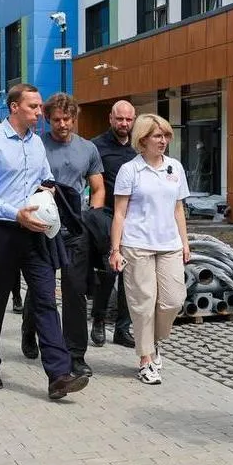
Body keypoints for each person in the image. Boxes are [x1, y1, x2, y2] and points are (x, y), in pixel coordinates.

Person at [0, 83, 89, 400]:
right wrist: (14, 213)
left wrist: (47, 190)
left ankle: (58, 375)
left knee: (46, 299)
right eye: (34, 107)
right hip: (2, 231)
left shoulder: (36, 143)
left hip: (36, 232)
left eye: (39, 107)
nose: (40, 113)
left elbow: (45, 177)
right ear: (14, 107)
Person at [21, 93, 104, 377]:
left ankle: (76, 354)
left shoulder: (88, 149)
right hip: (42, 227)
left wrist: (93, 213)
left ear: (74, 118)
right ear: (47, 118)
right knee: (40, 288)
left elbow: (98, 186)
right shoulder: (36, 146)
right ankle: (29, 330)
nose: (62, 124)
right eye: (56, 119)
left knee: (74, 292)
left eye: (67, 119)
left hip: (74, 229)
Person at [109, 114, 190, 385]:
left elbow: (179, 209)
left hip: (169, 245)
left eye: (166, 135)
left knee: (173, 300)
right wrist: (115, 249)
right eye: (158, 136)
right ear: (142, 140)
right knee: (143, 305)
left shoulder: (175, 168)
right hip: (136, 245)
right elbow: (119, 213)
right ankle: (146, 359)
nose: (164, 140)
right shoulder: (129, 170)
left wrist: (185, 243)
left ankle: (153, 340)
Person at [91, 100, 138, 348]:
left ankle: (122, 329)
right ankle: (98, 320)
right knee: (108, 272)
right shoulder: (96, 147)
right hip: (108, 217)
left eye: (128, 119)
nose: (124, 124)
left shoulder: (140, 147)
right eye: (120, 119)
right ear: (111, 118)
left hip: (136, 220)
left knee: (130, 276)